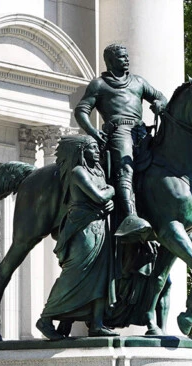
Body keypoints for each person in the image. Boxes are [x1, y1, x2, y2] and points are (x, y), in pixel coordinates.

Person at [74, 43, 167, 239]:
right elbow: (81, 110)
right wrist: (92, 131)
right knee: (126, 167)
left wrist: (159, 103)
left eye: (127, 56)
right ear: (110, 61)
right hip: (118, 130)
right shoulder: (99, 85)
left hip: (141, 130)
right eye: (122, 57)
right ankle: (130, 217)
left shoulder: (138, 82)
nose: (127, 59)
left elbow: (159, 97)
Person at [36, 135, 118, 339]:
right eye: (92, 148)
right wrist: (112, 190)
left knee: (101, 274)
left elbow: (103, 201)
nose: (97, 151)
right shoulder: (78, 172)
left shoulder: (97, 172)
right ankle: (46, 318)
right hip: (82, 227)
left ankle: (97, 323)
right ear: (81, 151)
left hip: (100, 225)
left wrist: (109, 203)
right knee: (75, 272)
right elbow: (99, 196)